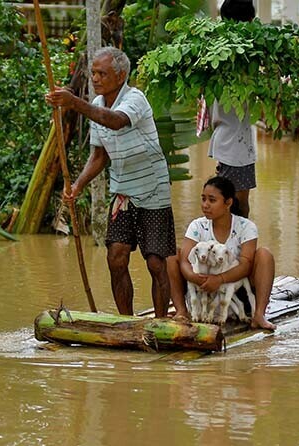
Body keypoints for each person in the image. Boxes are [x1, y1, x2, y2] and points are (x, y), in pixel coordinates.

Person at [45, 47, 175, 317]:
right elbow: (99, 156)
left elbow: (116, 122)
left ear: (121, 75)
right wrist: (77, 186)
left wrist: (74, 103)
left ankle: (161, 321)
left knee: (155, 262)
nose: (95, 78)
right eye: (93, 73)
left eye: (102, 73)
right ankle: (126, 322)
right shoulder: (99, 107)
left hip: (152, 188)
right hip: (123, 192)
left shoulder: (135, 99)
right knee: (116, 258)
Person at [168, 176, 276, 330]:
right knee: (171, 255)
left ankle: (258, 314)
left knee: (265, 255)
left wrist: (219, 279)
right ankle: (182, 311)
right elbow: (185, 261)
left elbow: (246, 264)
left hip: (235, 291)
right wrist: (195, 278)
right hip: (202, 290)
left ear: (228, 203)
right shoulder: (197, 226)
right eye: (203, 199)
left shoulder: (246, 227)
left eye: (212, 200)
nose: (205, 205)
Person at [207, 0, 258, 218]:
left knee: (234, 203)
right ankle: (236, 248)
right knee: (236, 204)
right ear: (249, 21)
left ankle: (235, 247)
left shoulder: (217, 54)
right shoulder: (242, 58)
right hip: (234, 144)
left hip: (232, 141)